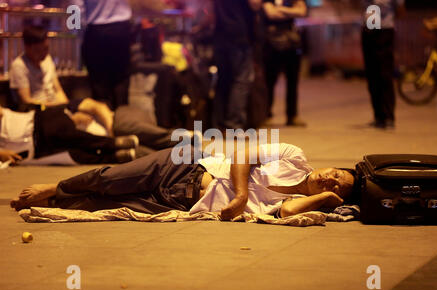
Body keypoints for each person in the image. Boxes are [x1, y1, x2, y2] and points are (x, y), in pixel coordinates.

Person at [10, 142, 357, 222]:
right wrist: (239, 195)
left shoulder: (304, 200)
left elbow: (288, 212)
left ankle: (56, 202)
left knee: (101, 205)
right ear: (330, 166)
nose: (332, 179)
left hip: (181, 203)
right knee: (109, 177)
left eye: (338, 186)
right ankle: (55, 187)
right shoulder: (293, 157)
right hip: (184, 168)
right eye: (337, 174)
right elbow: (243, 155)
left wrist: (323, 198)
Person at [9, 25, 181, 154]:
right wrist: (63, 113)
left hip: (59, 106)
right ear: (28, 47)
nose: (45, 53)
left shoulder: (47, 60)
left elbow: (58, 89)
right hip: (42, 111)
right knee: (92, 106)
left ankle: (113, 133)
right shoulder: (19, 65)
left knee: (96, 106)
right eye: (40, 50)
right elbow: (26, 101)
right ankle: (115, 138)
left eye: (47, 48)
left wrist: (67, 108)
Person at [0, 105, 137, 164]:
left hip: (35, 123)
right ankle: (113, 157)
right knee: (74, 156)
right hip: (31, 149)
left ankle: (112, 144)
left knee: (66, 134)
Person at [212, 0, 262, 131]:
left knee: (223, 80)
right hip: (239, 35)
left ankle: (219, 125)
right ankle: (234, 125)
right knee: (241, 80)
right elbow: (255, 3)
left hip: (220, 35)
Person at [73, 0, 133, 110]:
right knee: (121, 79)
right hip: (121, 29)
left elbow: (76, 8)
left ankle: (103, 122)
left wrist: (79, 33)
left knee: (99, 83)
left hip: (96, 31)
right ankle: (122, 121)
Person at [262, 0, 307, 127]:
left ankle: (292, 115)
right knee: (269, 80)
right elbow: (271, 14)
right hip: (271, 43)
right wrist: (291, 12)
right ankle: (267, 114)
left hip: (292, 43)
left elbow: (302, 11)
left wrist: (280, 9)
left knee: (293, 81)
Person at [361, 0, 405, 129]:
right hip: (369, 29)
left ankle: (388, 116)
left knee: (385, 74)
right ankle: (378, 116)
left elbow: (401, 10)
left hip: (384, 30)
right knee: (371, 75)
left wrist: (387, 20)